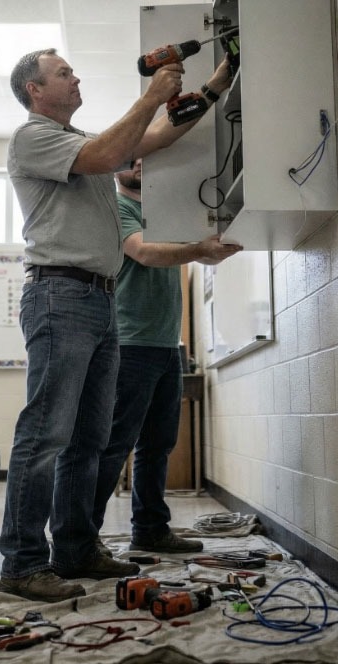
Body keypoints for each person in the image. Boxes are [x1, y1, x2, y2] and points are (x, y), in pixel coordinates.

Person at [0, 47, 231, 603]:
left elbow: (155, 137)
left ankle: (75, 549)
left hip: (98, 301)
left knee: (89, 438)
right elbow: (112, 152)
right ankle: (23, 564)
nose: (75, 76)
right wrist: (151, 94)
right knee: (47, 433)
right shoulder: (33, 138)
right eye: (63, 73)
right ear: (35, 90)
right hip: (60, 295)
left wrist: (218, 85)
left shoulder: (82, 143)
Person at [90, 159, 242, 558]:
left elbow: (199, 254)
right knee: (115, 443)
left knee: (158, 444)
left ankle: (151, 530)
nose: (139, 163)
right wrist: (196, 248)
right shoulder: (116, 208)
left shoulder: (164, 213)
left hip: (166, 345)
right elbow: (142, 252)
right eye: (129, 158)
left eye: (145, 157)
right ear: (113, 168)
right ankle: (83, 538)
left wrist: (221, 244)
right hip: (129, 342)